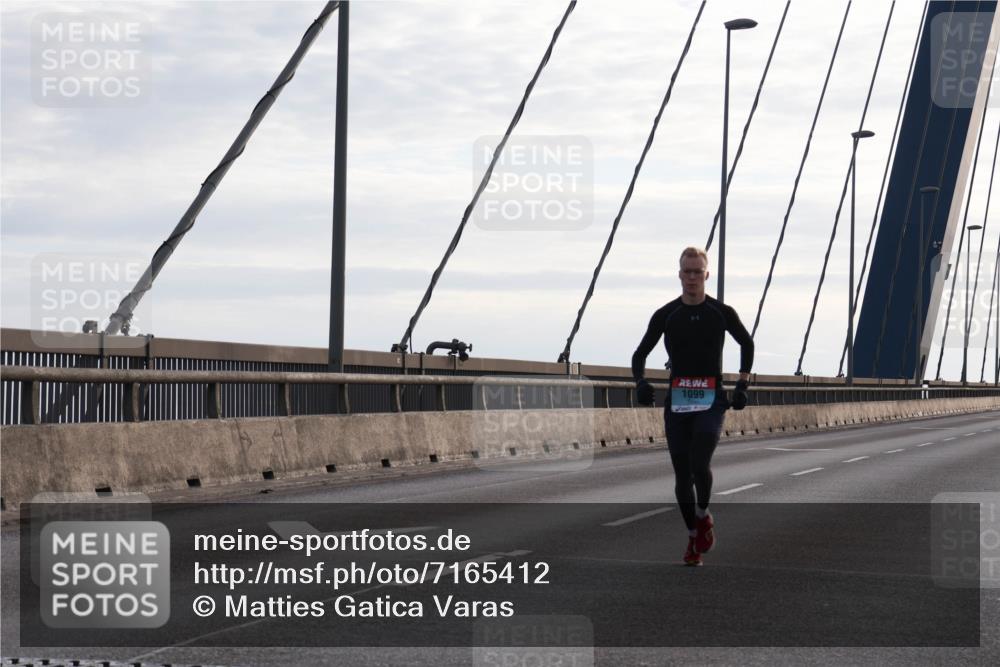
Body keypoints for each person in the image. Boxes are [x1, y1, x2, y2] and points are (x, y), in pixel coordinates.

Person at [631, 246, 754, 566]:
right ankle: (691, 538)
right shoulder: (666, 314)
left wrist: (742, 384)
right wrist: (640, 383)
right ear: (679, 275)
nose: (692, 278)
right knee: (682, 476)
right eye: (686, 272)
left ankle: (703, 516)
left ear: (706, 275)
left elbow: (747, 343)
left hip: (712, 400)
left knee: (700, 463)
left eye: (697, 272)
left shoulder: (721, 313)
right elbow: (639, 354)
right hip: (678, 402)